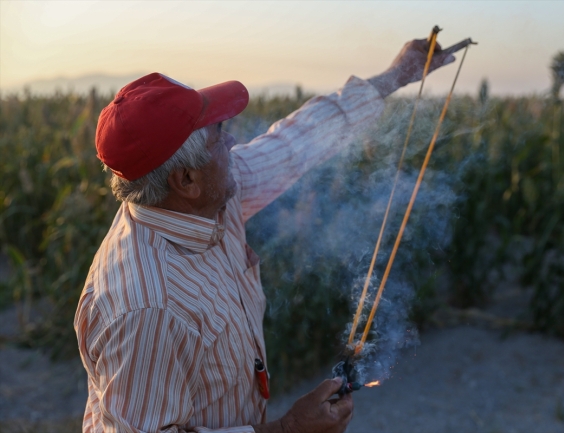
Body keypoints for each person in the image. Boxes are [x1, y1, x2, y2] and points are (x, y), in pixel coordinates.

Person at [74, 36, 455, 433]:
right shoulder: (146, 309)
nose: (233, 141)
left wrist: (393, 77)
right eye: (218, 135)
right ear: (185, 179)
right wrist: (289, 429)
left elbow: (294, 144)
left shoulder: (205, 199)